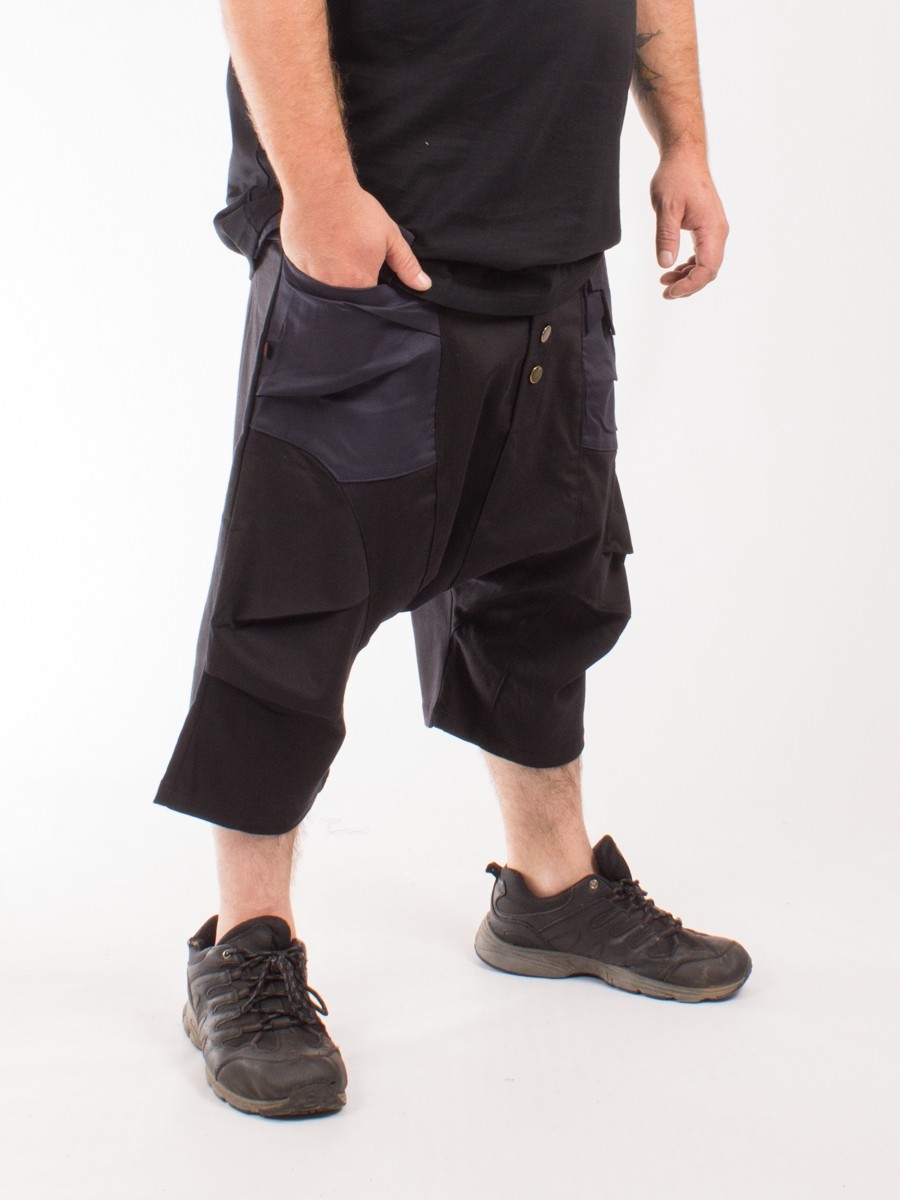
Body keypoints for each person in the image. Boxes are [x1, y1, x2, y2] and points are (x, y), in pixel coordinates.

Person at [154, 0, 751, 1119]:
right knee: (293, 604)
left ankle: (552, 890)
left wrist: (686, 144)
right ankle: (247, 943)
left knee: (551, 577)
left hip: (555, 238)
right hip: (375, 245)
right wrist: (319, 196)